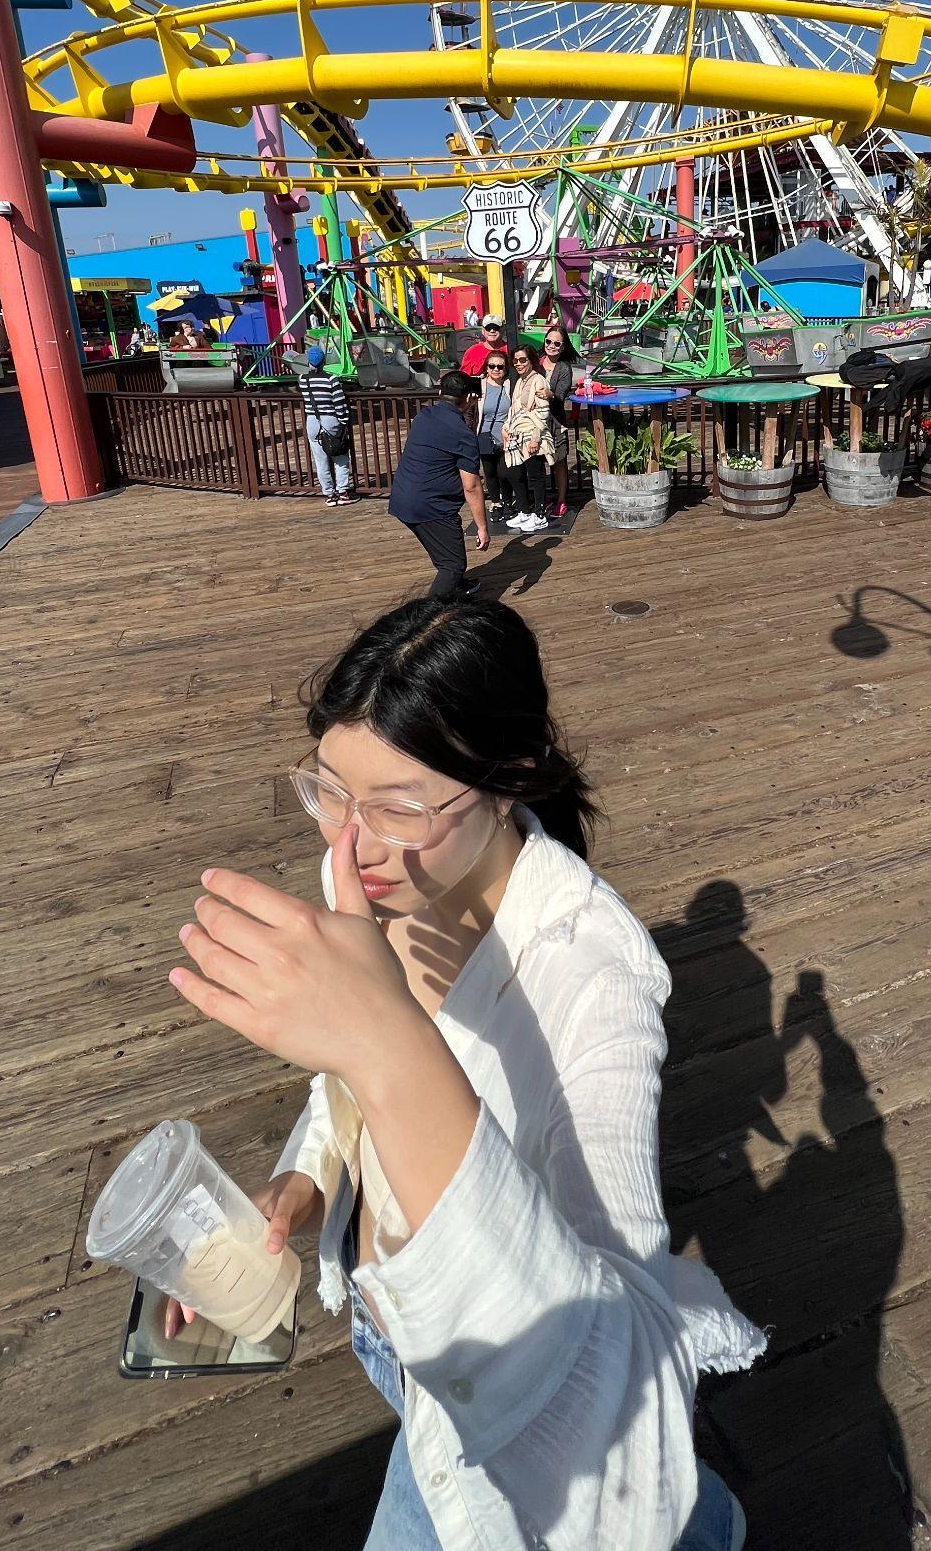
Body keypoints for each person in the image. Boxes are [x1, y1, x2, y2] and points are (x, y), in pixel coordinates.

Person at [165, 595, 760, 1550]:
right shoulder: (365, 876)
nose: (351, 844)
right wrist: (307, 1180)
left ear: (509, 778)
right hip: (387, 1321)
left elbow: (620, 1417)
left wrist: (391, 1039)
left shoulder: (593, 980)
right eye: (330, 792)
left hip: (473, 1364)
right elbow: (343, 1082)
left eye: (400, 808)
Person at [387, 369, 490, 596]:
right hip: (431, 507)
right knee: (452, 565)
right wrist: (482, 527)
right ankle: (430, 611)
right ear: (469, 398)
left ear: (441, 392)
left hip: (402, 497)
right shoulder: (463, 434)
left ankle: (457, 587)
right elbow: (471, 486)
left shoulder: (423, 416)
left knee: (445, 550)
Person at [500, 344, 554, 533]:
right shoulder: (520, 381)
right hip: (517, 434)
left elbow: (543, 412)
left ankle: (539, 514)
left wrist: (535, 438)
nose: (518, 363)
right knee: (516, 473)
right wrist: (506, 426)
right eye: (515, 360)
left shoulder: (538, 381)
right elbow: (514, 408)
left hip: (531, 434)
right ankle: (524, 510)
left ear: (531, 361)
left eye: (522, 360)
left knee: (535, 474)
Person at [298, 344, 354, 506]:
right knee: (340, 455)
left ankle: (329, 494)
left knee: (320, 460)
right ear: (324, 362)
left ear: (308, 362)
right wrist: (344, 422)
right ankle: (343, 492)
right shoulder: (331, 379)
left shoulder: (302, 380)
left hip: (312, 421)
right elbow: (339, 404)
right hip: (330, 420)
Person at [539, 324, 577, 519]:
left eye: (556, 343)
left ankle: (561, 499)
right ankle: (541, 497)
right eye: (548, 341)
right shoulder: (536, 362)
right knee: (537, 460)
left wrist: (550, 394)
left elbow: (561, 395)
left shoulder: (564, 368)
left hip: (555, 420)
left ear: (563, 347)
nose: (551, 346)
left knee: (559, 461)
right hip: (536, 420)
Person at [472, 349, 513, 516]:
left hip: (505, 436)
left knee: (505, 472)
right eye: (492, 366)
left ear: (505, 368)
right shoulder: (478, 384)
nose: (496, 369)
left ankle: (508, 500)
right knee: (489, 472)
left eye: (500, 366)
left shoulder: (510, 385)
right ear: (487, 368)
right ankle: (496, 502)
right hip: (484, 434)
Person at [460, 312, 507, 378]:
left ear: (502, 330)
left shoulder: (509, 349)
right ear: (483, 331)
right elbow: (463, 377)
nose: (492, 331)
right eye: (488, 328)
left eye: (496, 327)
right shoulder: (472, 351)